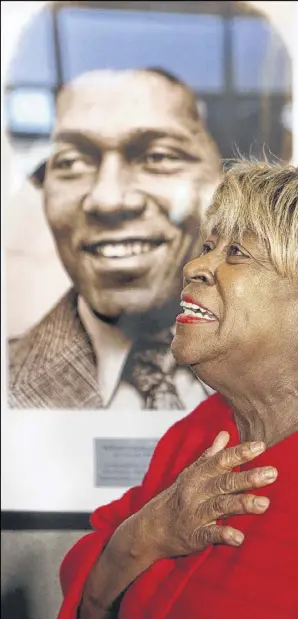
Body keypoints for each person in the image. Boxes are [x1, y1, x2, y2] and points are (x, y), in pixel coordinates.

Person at [57, 161, 298, 619]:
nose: (195, 265)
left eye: (237, 253)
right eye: (209, 246)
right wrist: (149, 531)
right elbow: (91, 603)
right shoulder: (202, 430)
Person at [7, 68, 222, 410]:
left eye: (158, 157)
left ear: (227, 182)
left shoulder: (293, 372)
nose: (108, 199)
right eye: (72, 162)